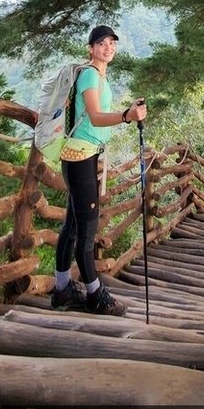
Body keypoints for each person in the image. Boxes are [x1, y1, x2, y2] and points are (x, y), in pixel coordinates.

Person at [51, 24, 147, 316]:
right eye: (102, 43)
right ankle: (95, 294)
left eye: (112, 44)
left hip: (82, 155)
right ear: (90, 48)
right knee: (86, 229)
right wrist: (126, 117)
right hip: (80, 157)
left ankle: (62, 289)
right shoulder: (91, 74)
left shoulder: (101, 76)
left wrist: (127, 111)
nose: (108, 48)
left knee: (72, 227)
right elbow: (94, 117)